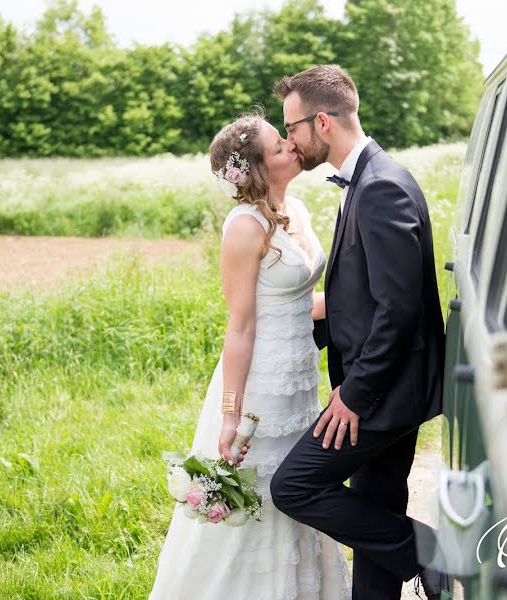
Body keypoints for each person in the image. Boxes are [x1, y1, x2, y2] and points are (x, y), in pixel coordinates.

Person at [149, 112, 351, 599]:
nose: (291, 147)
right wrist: (229, 415)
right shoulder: (244, 227)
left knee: (297, 493)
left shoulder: (296, 209)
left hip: (300, 377)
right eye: (278, 146)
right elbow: (240, 327)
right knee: (260, 492)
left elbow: (301, 301)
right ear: (260, 168)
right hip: (259, 385)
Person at [269, 65, 447, 599]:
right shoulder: (369, 177)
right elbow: (370, 296)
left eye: (293, 128)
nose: (290, 141)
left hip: (384, 391)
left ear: (321, 121)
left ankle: (431, 552)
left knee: (294, 486)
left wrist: (354, 395)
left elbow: (399, 310)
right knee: (374, 507)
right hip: (384, 383)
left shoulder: (381, 187)